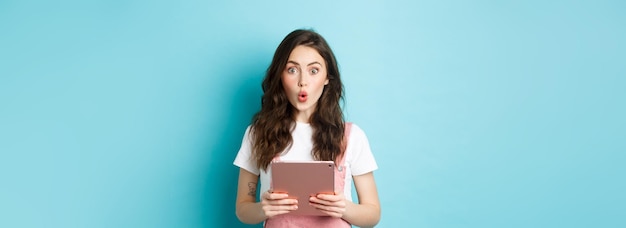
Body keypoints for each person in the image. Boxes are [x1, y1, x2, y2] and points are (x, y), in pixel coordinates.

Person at [233, 29, 380, 227]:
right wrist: (262, 208)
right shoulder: (257, 133)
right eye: (292, 69)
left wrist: (344, 208)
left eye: (313, 70)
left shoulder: (352, 136)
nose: (303, 81)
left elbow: (373, 214)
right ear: (280, 76)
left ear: (328, 77)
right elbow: (243, 209)